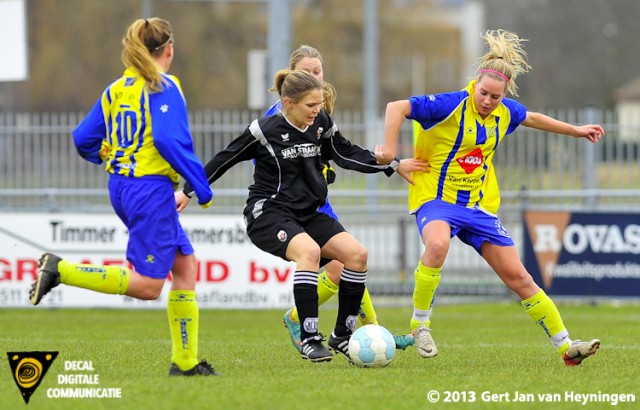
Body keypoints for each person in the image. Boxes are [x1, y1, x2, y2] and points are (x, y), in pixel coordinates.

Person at [377, 29, 603, 366]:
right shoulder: (449, 104)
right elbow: (396, 108)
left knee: (520, 278)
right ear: (474, 86)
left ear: (504, 95)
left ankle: (567, 348)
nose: (487, 101)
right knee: (437, 245)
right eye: (483, 93)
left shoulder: (505, 112)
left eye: (495, 97)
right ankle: (420, 325)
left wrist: (576, 130)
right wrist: (391, 156)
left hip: (479, 207)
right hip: (436, 200)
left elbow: (533, 117)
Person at [175, 69, 428, 362]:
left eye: (319, 104)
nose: (317, 110)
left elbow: (345, 153)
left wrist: (392, 164)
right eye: (310, 105)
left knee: (357, 254)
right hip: (268, 213)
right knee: (308, 251)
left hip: (308, 213)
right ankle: (309, 337)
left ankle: (343, 336)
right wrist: (187, 191)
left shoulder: (321, 123)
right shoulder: (264, 130)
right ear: (287, 103)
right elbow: (224, 158)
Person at [28, 17, 219, 376]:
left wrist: (106, 154)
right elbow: (166, 139)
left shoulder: (117, 88)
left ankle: (185, 362)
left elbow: (82, 138)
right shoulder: (164, 85)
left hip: (122, 185)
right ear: (169, 49)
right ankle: (60, 270)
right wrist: (201, 186)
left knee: (184, 266)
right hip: (149, 189)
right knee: (148, 287)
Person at [264, 45, 414, 353]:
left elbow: (335, 151)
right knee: (342, 262)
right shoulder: (277, 117)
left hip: (316, 203)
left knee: (351, 260)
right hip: (291, 208)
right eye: (306, 72)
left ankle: (370, 332)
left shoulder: (320, 109)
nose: (314, 76)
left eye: (317, 71)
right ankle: (319, 323)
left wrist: (388, 162)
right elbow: (270, 165)